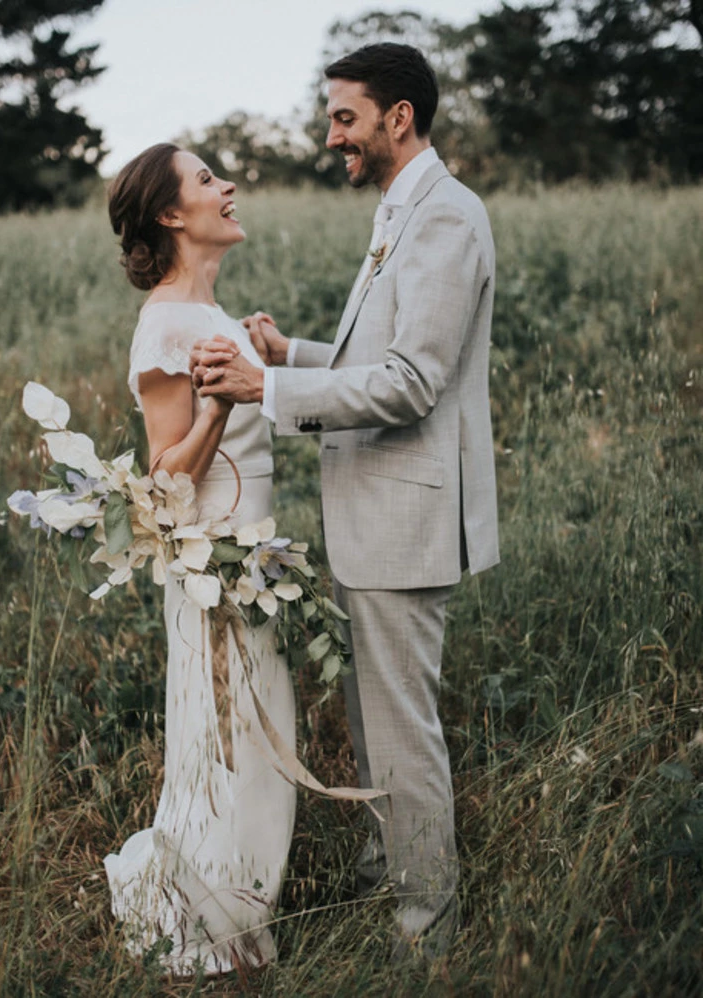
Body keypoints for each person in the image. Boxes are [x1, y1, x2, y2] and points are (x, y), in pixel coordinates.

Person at [191, 43, 500, 959]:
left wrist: (264, 392)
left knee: (403, 735)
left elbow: (410, 383)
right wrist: (293, 356)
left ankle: (425, 934)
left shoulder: (446, 218)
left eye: (345, 118)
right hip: (375, 515)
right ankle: (389, 870)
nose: (332, 137)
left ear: (399, 118)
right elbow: (377, 358)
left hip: (406, 522)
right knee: (374, 723)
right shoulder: (401, 212)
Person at [102, 143, 297, 976]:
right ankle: (211, 942)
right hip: (214, 574)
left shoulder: (212, 317)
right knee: (229, 751)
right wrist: (216, 410)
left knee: (256, 749)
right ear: (173, 215)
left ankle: (237, 920)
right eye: (209, 180)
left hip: (253, 565)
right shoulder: (167, 324)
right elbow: (161, 480)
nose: (230, 187)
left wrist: (262, 359)